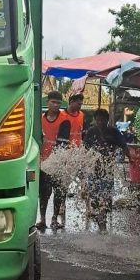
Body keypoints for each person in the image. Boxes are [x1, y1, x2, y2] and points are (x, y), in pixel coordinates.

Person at [84, 108, 130, 230]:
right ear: (95, 120)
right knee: (94, 194)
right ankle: (99, 210)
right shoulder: (91, 132)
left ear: (107, 120)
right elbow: (85, 149)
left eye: (102, 120)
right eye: (97, 120)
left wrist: (130, 158)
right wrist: (84, 163)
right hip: (94, 167)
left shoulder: (114, 132)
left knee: (105, 193)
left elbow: (124, 146)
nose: (100, 122)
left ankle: (102, 216)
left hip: (108, 167)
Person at [38, 90, 70, 231]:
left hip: (58, 161)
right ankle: (42, 219)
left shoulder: (64, 120)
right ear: (48, 102)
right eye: (53, 102)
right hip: (41, 162)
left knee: (58, 192)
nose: (56, 105)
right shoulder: (40, 119)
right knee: (43, 192)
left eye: (58, 103)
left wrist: (52, 163)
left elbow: (61, 144)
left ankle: (54, 219)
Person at [57, 92, 85, 226]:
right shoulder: (61, 116)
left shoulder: (81, 115)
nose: (80, 106)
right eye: (78, 103)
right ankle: (62, 205)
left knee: (84, 179)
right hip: (66, 153)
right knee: (64, 181)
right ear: (71, 102)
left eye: (81, 104)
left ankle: (89, 206)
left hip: (78, 153)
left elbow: (80, 132)